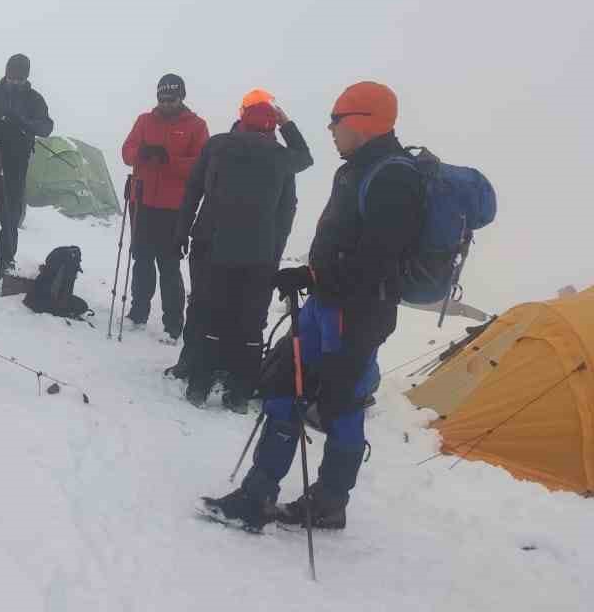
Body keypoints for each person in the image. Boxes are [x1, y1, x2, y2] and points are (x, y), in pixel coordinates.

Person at [202, 81, 422, 532]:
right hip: (326, 307)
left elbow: (378, 262)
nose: (331, 128)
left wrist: (320, 279)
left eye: (336, 120)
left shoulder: (393, 176)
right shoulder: (357, 169)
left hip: (357, 317)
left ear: (362, 121)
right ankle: (258, 493)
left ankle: (328, 502)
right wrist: (309, 276)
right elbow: (349, 247)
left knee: (342, 404)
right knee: (284, 385)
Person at [176, 89, 312, 411]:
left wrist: (181, 232)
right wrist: (288, 124)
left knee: (211, 313)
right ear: (271, 126)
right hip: (259, 256)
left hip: (214, 248)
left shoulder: (218, 145)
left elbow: (193, 189)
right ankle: (239, 393)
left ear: (242, 120)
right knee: (250, 322)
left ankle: (198, 386)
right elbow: (304, 159)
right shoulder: (281, 158)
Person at [120, 74, 209, 344]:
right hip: (142, 201)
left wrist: (170, 161)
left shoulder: (196, 125)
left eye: (171, 99)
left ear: (181, 97)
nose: (165, 104)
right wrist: (141, 154)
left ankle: (173, 325)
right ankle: (138, 313)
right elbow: (126, 151)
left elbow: (202, 164)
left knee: (169, 265)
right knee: (142, 259)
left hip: (174, 207)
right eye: (161, 98)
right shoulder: (145, 120)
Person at [0, 54, 53, 282]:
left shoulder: (35, 100)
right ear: (6, 73)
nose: (15, 81)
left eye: (20, 78)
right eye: (12, 77)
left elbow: (46, 127)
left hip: (16, 165)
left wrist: (23, 123)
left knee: (10, 217)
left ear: (27, 76)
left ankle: (6, 265)